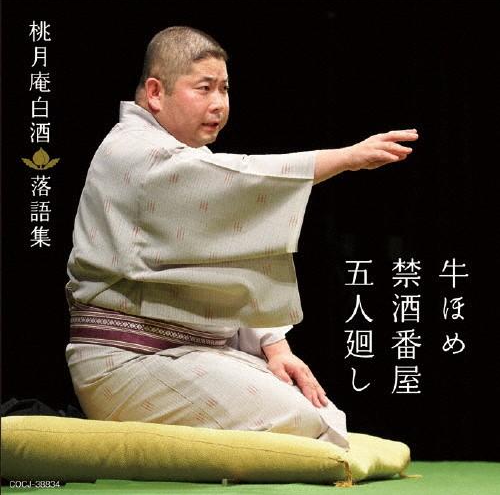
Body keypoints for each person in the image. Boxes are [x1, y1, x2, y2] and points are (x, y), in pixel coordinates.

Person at [65, 26, 418, 449]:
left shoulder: (187, 160)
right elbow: (244, 179)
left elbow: (231, 259)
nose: (219, 103)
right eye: (204, 88)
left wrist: (276, 348)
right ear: (156, 93)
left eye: (224, 89)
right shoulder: (135, 152)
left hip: (182, 353)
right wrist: (343, 159)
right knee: (303, 423)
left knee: (321, 413)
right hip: (126, 361)